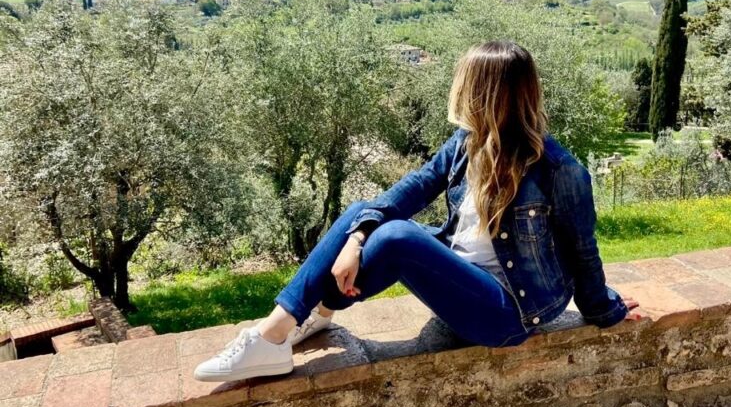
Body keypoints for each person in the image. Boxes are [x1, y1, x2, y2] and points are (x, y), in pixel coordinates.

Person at [194, 40, 638, 382]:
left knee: (397, 237)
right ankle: (292, 323)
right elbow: (406, 192)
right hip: (463, 281)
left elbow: (583, 250)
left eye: (466, 82)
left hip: (509, 312)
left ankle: (284, 329)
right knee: (364, 213)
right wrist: (356, 238)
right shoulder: (465, 145)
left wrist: (606, 310)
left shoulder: (558, 169)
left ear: (485, 93)